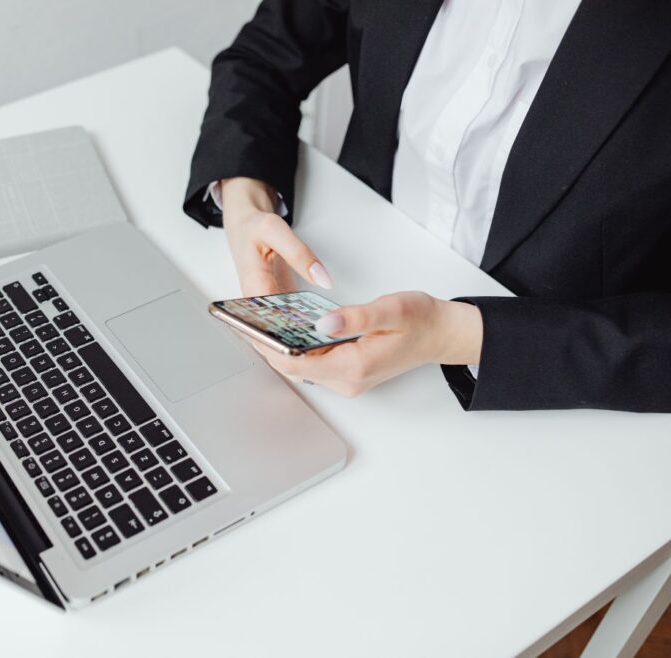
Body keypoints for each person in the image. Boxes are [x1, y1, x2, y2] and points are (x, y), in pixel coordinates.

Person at [184, 0, 671, 412]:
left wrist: (456, 335)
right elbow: (265, 55)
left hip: (552, 385)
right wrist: (246, 198)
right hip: (343, 273)